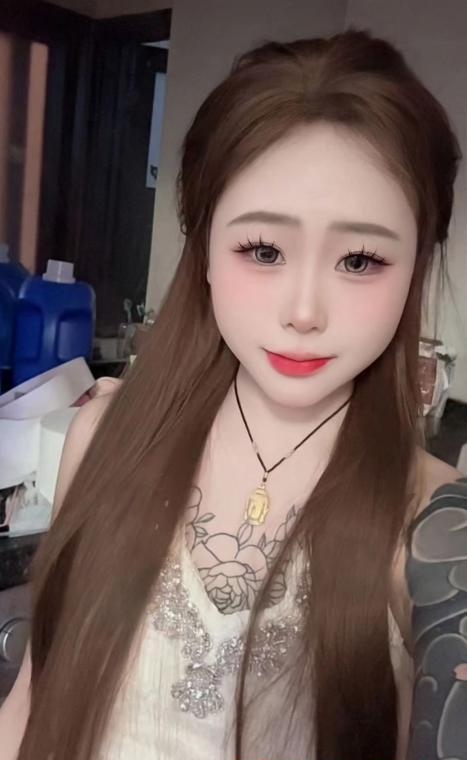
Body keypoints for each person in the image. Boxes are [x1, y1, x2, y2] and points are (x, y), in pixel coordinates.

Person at [1, 27, 466, 760]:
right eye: (263, 250)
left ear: (417, 265)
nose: (304, 311)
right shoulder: (105, 436)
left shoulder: (429, 523)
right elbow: (30, 704)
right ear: (205, 250)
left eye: (358, 259)